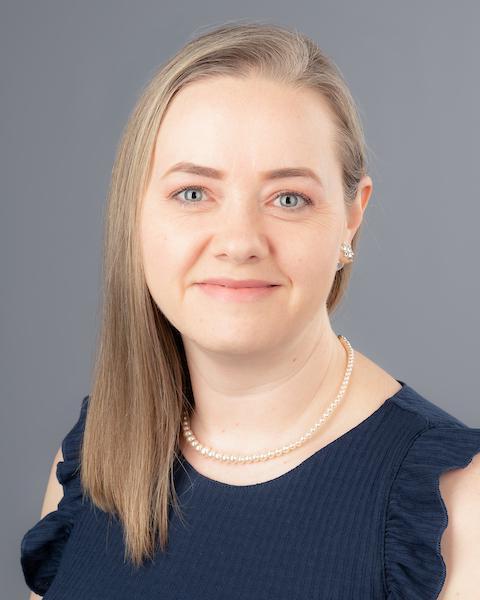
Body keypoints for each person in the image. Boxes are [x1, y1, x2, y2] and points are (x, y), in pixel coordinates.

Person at [20, 21, 480, 600]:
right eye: (193, 193)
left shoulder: (459, 507)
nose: (238, 242)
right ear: (134, 213)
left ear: (351, 216)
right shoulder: (90, 467)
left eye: (288, 199)